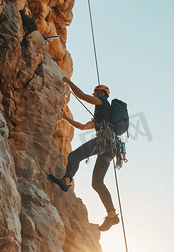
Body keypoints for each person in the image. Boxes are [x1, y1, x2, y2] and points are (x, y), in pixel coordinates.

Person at [48, 77, 120, 232]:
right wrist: (65, 117)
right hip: (111, 148)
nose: (93, 93)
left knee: (74, 156)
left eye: (95, 91)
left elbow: (82, 96)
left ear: (101, 93)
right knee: (97, 183)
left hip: (104, 142)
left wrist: (68, 81)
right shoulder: (102, 117)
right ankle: (112, 215)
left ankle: (66, 181)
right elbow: (82, 127)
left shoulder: (102, 101)